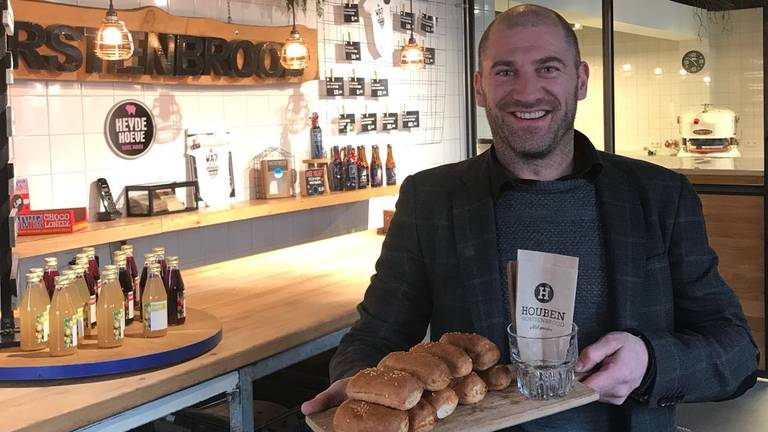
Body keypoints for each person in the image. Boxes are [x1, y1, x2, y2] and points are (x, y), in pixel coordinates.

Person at [301, 4, 759, 431]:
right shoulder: (432, 198)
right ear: (480, 86)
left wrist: (650, 362)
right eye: (505, 71)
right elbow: (378, 333)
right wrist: (357, 383)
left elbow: (736, 353)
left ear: (580, 80)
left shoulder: (660, 196)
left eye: (548, 68)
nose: (526, 91)